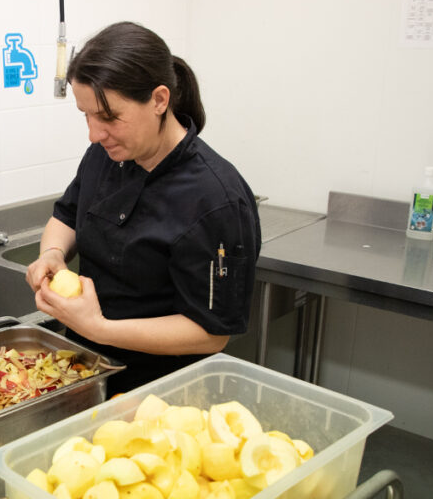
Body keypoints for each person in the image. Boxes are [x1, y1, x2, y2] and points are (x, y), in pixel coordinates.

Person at [26, 22, 261, 394]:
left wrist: (100, 328)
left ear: (159, 100)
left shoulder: (216, 200)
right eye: (85, 114)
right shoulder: (106, 154)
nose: (93, 133)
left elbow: (211, 333)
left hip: (163, 394)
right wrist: (52, 253)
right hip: (87, 374)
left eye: (108, 116)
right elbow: (67, 216)